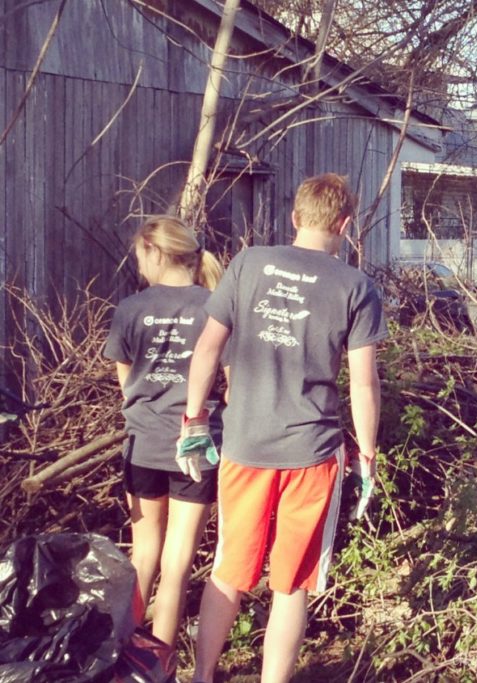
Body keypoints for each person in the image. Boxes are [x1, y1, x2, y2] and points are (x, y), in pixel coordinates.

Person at [182, 173, 387, 683]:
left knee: (229, 569)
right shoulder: (356, 287)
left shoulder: (248, 263)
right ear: (345, 225)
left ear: (295, 218)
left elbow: (208, 348)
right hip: (313, 453)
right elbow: (363, 384)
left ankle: (203, 675)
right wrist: (367, 456)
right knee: (290, 584)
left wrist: (194, 420)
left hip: (245, 445)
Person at [103, 215, 225, 649]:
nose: (139, 266)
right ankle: (161, 663)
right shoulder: (214, 306)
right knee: (178, 562)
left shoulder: (130, 309)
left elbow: (126, 382)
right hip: (195, 447)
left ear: (155, 252)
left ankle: (124, 656)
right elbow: (229, 374)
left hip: (142, 446)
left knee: (144, 553)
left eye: (140, 256)